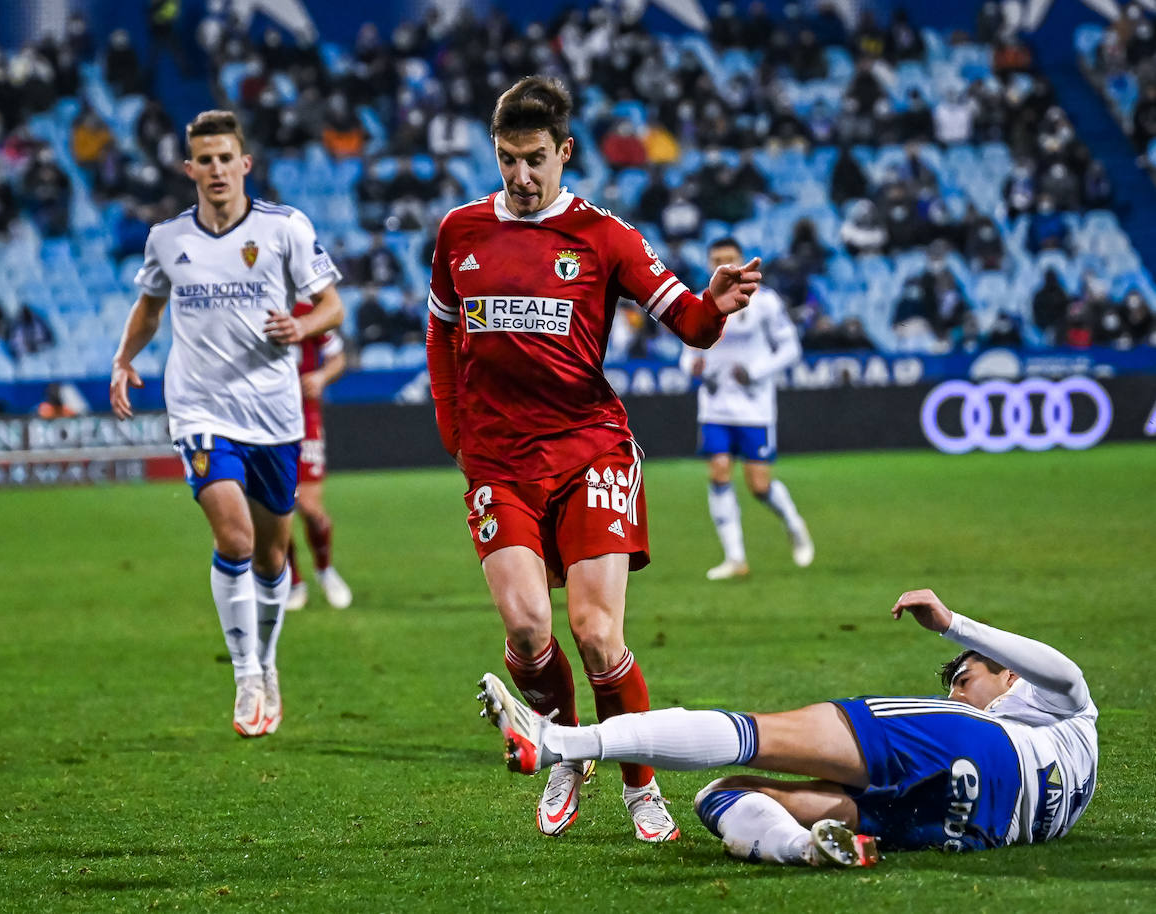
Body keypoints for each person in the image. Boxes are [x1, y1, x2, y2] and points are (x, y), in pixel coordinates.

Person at [425, 76, 763, 844]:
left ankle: (643, 787)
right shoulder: (458, 233)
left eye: (535, 159)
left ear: (564, 152)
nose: (520, 176)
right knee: (524, 629)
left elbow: (690, 322)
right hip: (499, 460)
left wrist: (713, 305)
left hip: (588, 449)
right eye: (508, 159)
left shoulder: (604, 235)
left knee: (597, 634)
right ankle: (566, 753)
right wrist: (456, 434)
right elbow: (441, 335)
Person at [478, 588, 1098, 866]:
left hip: (982, 754)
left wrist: (954, 626)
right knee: (721, 796)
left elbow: (1063, 671)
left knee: (759, 732)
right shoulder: (1076, 746)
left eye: (964, 680)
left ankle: (558, 741)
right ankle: (808, 848)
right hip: (974, 826)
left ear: (1007, 676)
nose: (959, 692)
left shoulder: (1041, 703)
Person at [110, 109, 345, 738]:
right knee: (235, 540)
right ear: (189, 169)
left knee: (272, 556)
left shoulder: (285, 228)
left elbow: (332, 305)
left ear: (245, 164)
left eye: (225, 158)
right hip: (200, 408)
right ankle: (244, 673)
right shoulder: (167, 239)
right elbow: (149, 306)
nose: (215, 169)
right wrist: (123, 359)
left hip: (274, 414)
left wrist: (302, 326)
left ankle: (266, 662)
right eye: (204, 160)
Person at [680, 237, 812, 581]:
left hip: (754, 407)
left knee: (758, 486)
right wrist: (691, 368)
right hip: (714, 405)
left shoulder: (765, 303)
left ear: (742, 263)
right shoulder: (698, 301)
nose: (722, 265)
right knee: (719, 472)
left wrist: (755, 372)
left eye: (729, 259)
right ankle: (736, 558)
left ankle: (793, 521)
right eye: (716, 259)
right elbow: (688, 350)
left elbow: (790, 349)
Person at [284, 298, 354, 611]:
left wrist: (321, 377)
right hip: (263, 421)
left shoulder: (307, 310)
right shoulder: (253, 305)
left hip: (305, 418)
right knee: (279, 510)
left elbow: (338, 358)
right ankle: (293, 580)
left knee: (310, 508)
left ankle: (324, 569)